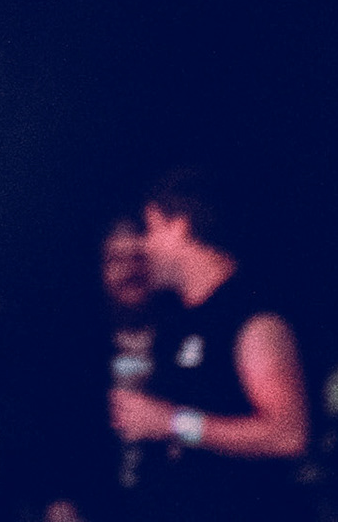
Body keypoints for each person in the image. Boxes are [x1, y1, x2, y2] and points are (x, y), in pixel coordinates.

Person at [107, 168, 308, 521]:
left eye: (151, 229)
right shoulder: (177, 323)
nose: (144, 246)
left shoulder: (249, 315)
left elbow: (288, 434)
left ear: (180, 225)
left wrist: (173, 423)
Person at [40, 218, 156, 522]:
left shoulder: (181, 341)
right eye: (116, 260)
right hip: (98, 503)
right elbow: (52, 429)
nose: (130, 271)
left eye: (138, 257)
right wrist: (59, 498)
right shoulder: (76, 347)